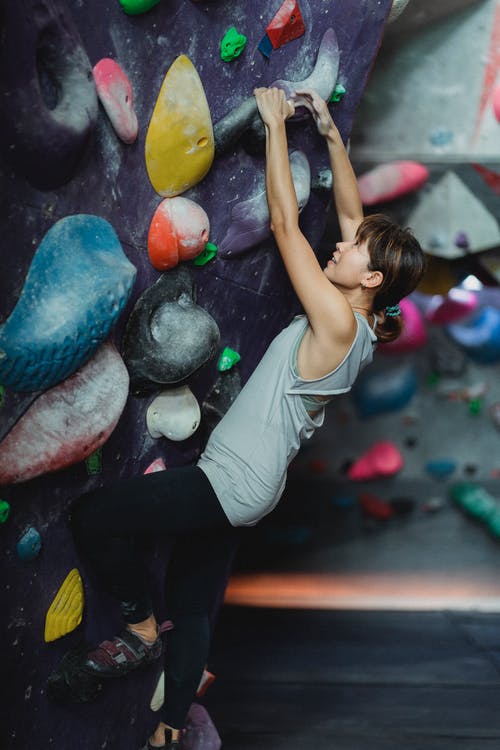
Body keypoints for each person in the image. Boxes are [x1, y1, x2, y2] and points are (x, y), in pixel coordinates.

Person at [70, 86, 426, 749]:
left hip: (230, 482)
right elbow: (353, 216)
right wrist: (329, 133)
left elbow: (288, 227)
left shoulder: (336, 321)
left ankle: (139, 627)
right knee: (194, 596)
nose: (341, 245)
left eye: (353, 252)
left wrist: (272, 131)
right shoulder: (367, 321)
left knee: (93, 519)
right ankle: (171, 728)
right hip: (252, 484)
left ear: (370, 279)